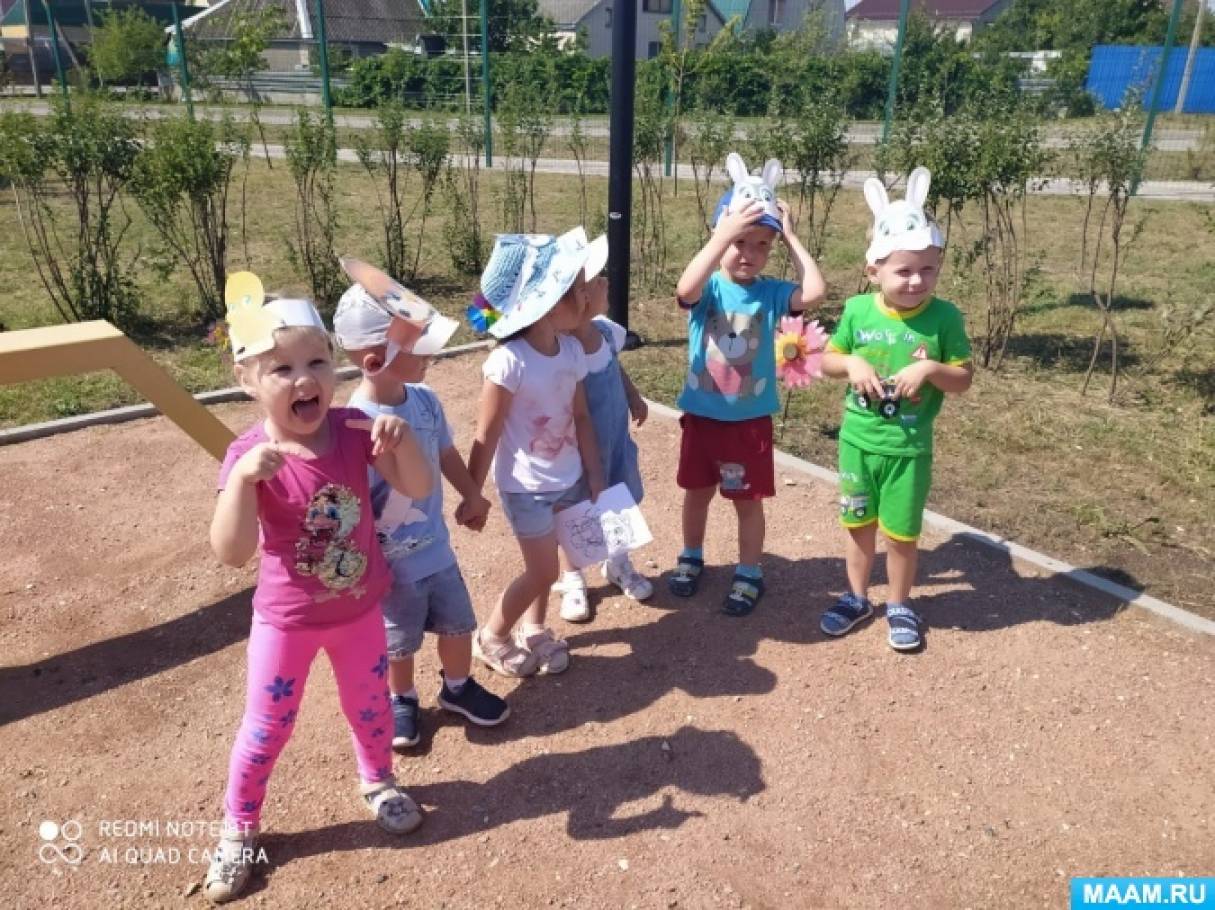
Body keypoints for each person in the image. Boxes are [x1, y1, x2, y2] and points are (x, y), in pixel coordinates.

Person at [204, 280, 431, 904]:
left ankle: (378, 781)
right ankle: (239, 827)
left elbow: (417, 488)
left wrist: (404, 440)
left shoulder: (356, 428)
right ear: (248, 380)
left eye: (317, 362)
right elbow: (231, 551)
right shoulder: (247, 453)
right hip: (287, 622)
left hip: (360, 611)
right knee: (267, 727)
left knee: (371, 708)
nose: (305, 379)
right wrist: (243, 483)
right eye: (283, 369)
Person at [334, 282, 510, 750]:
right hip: (389, 568)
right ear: (375, 360)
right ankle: (402, 698)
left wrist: (472, 494)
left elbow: (446, 452)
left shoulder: (426, 400)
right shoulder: (354, 424)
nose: (430, 353)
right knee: (398, 642)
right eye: (418, 345)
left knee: (458, 625)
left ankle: (457, 687)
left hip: (437, 551)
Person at [818, 167, 973, 651]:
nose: (916, 281)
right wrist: (851, 362)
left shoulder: (945, 317)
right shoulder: (857, 310)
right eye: (903, 271)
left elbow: (963, 380)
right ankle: (856, 597)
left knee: (902, 534)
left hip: (908, 450)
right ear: (874, 271)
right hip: (857, 444)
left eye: (928, 270)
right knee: (858, 525)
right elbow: (826, 361)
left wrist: (930, 370)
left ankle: (900, 604)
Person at [669, 155, 826, 616]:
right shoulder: (711, 289)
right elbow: (684, 289)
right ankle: (691, 555)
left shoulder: (771, 293)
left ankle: (750, 570)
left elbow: (814, 293)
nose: (748, 253)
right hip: (703, 419)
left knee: (747, 501)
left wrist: (790, 237)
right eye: (739, 241)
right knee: (696, 494)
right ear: (721, 236)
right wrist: (721, 236)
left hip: (748, 424)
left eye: (761, 244)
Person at [466, 227, 607, 676]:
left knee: (548, 561)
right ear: (547, 304)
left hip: (569, 477)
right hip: (525, 488)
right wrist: (471, 494)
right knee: (543, 570)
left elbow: (581, 416)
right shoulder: (509, 362)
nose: (586, 297)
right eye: (576, 289)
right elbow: (486, 433)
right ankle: (491, 636)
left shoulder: (571, 351)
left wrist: (595, 473)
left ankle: (535, 628)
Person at [551, 274, 653, 622]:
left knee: (619, 500)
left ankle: (618, 562)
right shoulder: (561, 346)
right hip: (577, 450)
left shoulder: (606, 332)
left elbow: (614, 367)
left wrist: (633, 395)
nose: (607, 281)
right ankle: (572, 576)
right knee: (575, 510)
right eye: (595, 282)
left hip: (615, 441)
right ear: (577, 297)